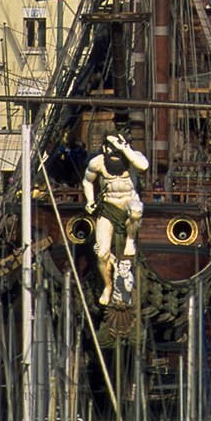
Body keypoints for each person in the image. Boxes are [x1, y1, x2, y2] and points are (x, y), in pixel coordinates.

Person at [82, 131, 149, 307]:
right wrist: (89, 200)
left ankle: (130, 239)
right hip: (108, 206)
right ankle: (108, 286)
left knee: (136, 211)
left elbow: (143, 167)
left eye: (116, 145)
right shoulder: (98, 163)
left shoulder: (133, 158)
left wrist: (124, 148)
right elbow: (87, 181)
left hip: (128, 202)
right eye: (110, 146)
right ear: (104, 147)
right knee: (102, 253)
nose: (113, 150)